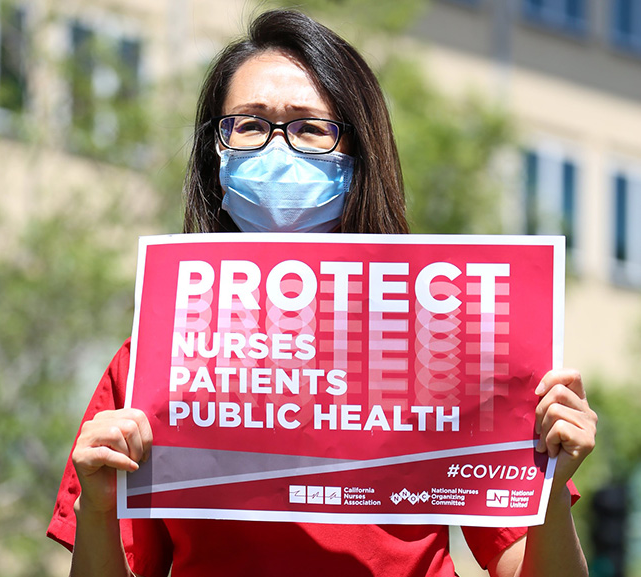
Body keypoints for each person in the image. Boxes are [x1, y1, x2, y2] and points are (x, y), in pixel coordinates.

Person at [47, 9, 597, 577]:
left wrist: (548, 489)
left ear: (359, 157)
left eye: (310, 127)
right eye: (250, 124)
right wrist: (99, 507)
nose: (276, 148)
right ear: (217, 154)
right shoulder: (151, 367)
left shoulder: (446, 345)